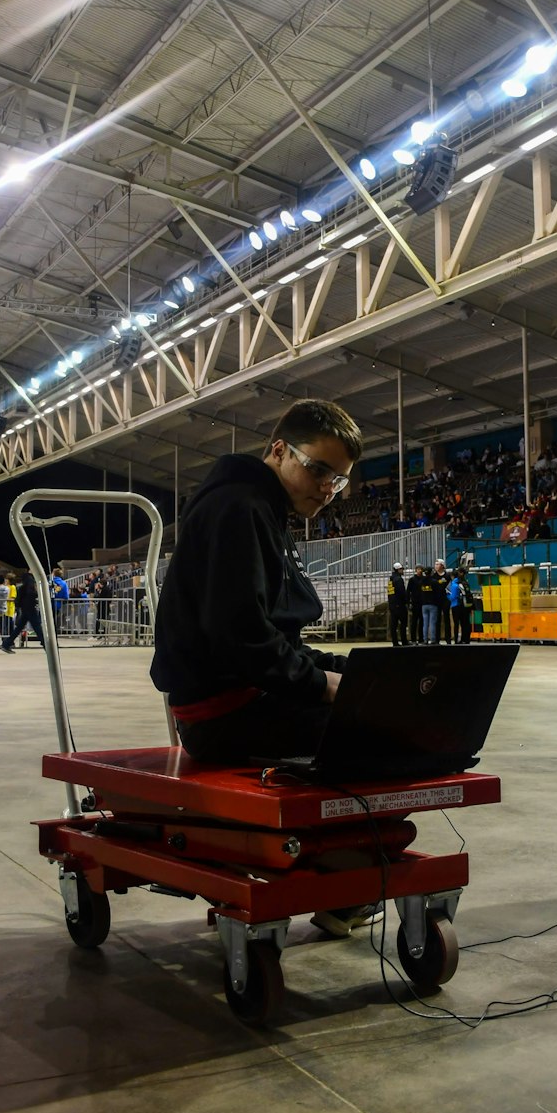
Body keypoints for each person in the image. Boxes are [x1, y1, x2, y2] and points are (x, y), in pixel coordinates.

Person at [151, 399, 370, 938]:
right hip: (224, 713)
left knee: (378, 701)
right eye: (318, 469)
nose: (325, 488)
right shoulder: (240, 509)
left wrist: (350, 672)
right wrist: (322, 686)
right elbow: (242, 642)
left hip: (248, 697)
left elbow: (276, 639)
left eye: (338, 481)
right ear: (278, 450)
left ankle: (345, 868)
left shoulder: (265, 509)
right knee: (378, 732)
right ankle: (339, 873)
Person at [0, 570, 45, 653]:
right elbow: (31, 593)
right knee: (37, 626)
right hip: (30, 607)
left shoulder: (23, 584)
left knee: (19, 628)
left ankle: (6, 643)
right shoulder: (30, 581)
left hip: (25, 608)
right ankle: (45, 644)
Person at [387, 562, 408, 647]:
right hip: (399, 605)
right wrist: (405, 601)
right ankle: (404, 641)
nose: (403, 570)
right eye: (402, 569)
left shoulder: (391, 580)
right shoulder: (399, 579)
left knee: (394, 624)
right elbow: (401, 593)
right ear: (398, 569)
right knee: (403, 623)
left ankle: (395, 642)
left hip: (392, 604)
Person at [432, 559, 451, 644]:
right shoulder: (433, 577)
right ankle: (437, 639)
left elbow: (448, 588)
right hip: (436, 600)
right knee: (437, 620)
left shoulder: (447, 576)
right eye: (435, 564)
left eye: (438, 564)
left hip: (445, 600)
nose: (436, 566)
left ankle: (448, 639)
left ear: (442, 566)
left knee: (447, 619)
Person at [406, 564, 424, 644]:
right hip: (415, 603)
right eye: (418, 569)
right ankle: (413, 639)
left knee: (422, 621)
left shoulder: (424, 579)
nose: (419, 570)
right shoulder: (412, 580)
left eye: (421, 569)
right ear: (416, 570)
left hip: (422, 602)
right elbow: (408, 591)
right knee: (414, 621)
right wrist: (409, 602)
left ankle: (421, 638)